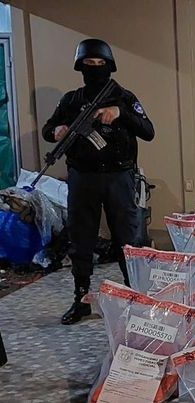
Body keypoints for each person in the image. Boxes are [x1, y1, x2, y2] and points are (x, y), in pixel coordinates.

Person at [42, 38, 155, 324]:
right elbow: (47, 129)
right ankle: (81, 299)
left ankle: (136, 299)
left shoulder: (124, 97)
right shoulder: (71, 100)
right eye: (88, 64)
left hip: (119, 177)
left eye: (99, 63)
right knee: (81, 240)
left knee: (127, 240)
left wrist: (120, 114)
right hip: (83, 178)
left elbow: (148, 130)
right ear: (80, 67)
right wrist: (57, 131)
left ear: (109, 65)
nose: (94, 68)